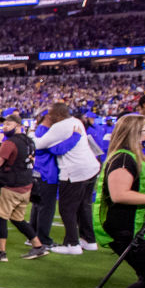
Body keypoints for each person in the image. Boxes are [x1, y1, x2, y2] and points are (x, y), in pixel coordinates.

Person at [89, 114, 145, 288]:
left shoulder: (135, 156)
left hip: (139, 226)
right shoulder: (123, 159)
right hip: (124, 228)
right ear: (135, 133)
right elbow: (119, 194)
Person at [35, 103, 102, 255]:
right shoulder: (76, 122)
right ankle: (89, 240)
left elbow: (39, 144)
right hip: (91, 168)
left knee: (67, 208)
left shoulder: (59, 126)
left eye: (51, 114)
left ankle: (72, 244)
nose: (49, 116)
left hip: (74, 172)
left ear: (57, 115)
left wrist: (31, 134)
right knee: (84, 206)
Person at [0, 113, 49, 262]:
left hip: (10, 186)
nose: (5, 127)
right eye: (4, 124)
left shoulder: (10, 143)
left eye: (9, 124)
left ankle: (1, 252)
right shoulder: (29, 141)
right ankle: (38, 245)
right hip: (26, 185)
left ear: (19, 126)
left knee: (1, 217)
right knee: (17, 218)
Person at [30, 110, 81, 248]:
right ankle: (43, 239)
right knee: (47, 207)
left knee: (38, 206)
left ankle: (33, 236)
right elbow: (57, 149)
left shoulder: (41, 129)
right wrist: (76, 137)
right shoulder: (46, 131)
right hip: (47, 172)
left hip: (41, 171)